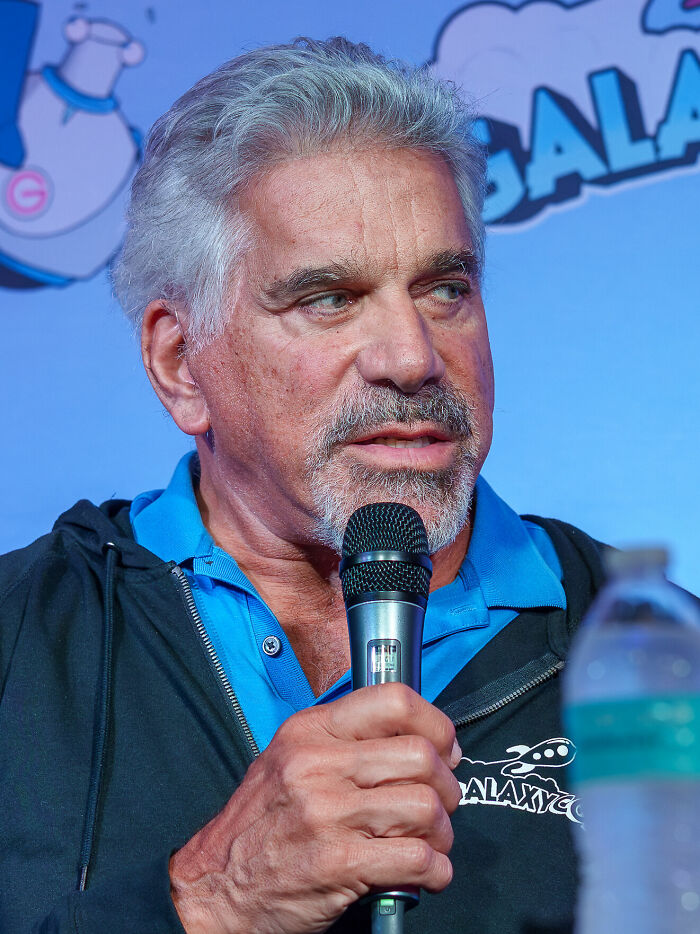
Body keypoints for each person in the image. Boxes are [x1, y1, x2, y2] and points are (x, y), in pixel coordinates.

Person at [1, 37, 617, 934]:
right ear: (180, 363)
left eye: (446, 289)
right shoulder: (20, 641)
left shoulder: (660, 660)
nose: (412, 357)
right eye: (328, 299)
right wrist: (209, 902)